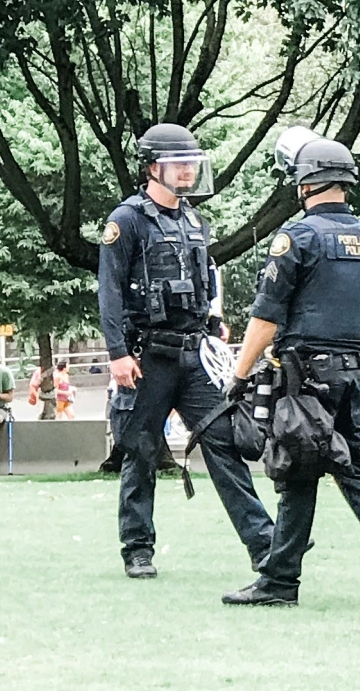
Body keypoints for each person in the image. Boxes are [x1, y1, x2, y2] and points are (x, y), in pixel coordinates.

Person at [222, 131, 360, 607]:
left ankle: (278, 583)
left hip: (306, 379)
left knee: (296, 472)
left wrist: (239, 374)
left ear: (303, 183)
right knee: (357, 470)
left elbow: (266, 318)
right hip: (355, 375)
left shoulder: (296, 238)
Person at [98, 122, 273, 579]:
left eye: (192, 165)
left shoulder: (194, 220)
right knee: (140, 451)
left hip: (193, 355)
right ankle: (137, 549)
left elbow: (201, 281)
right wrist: (117, 352)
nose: (188, 172)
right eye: (180, 164)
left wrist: (213, 323)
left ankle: (265, 545)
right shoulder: (127, 220)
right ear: (153, 166)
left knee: (222, 442)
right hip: (145, 358)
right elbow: (110, 291)